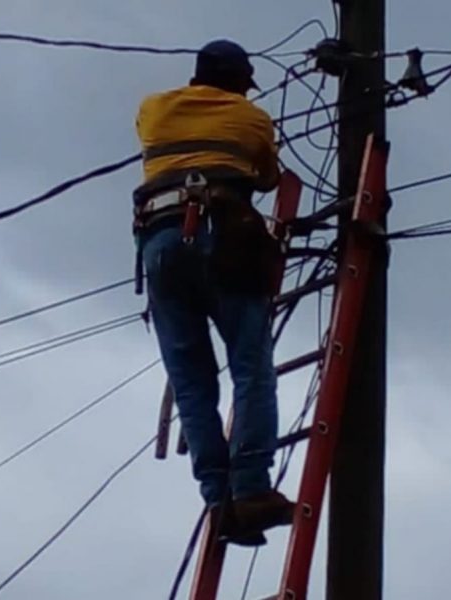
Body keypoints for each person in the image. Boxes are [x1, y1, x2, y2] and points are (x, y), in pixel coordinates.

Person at [132, 40, 294, 545]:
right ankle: (249, 488)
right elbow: (267, 177)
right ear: (240, 81)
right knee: (250, 366)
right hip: (224, 236)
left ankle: (217, 501)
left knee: (192, 382)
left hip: (158, 244)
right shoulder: (252, 118)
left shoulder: (153, 108)